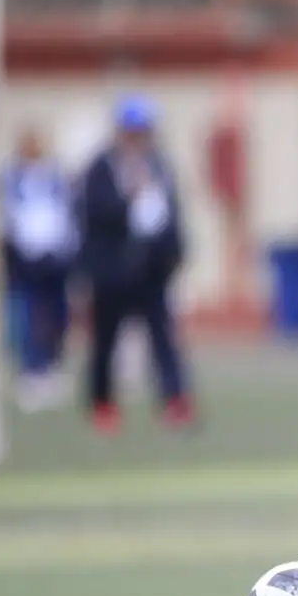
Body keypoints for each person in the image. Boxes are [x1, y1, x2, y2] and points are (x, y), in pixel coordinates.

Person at [78, 94, 194, 434]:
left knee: (164, 339)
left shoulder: (159, 166)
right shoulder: (101, 168)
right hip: (111, 273)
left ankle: (175, 400)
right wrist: (128, 198)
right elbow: (94, 215)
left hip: (152, 272)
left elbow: (171, 215)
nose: (140, 137)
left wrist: (175, 252)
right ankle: (103, 403)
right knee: (104, 343)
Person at [0, 127, 77, 411]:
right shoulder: (11, 178)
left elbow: (67, 214)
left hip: (56, 256)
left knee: (59, 314)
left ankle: (52, 364)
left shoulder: (55, 177)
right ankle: (32, 370)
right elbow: (10, 217)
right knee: (30, 314)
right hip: (26, 257)